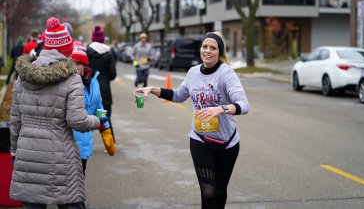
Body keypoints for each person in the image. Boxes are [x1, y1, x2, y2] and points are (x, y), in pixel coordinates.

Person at [134, 31, 250, 209]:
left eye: (213, 48)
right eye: (205, 46)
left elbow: (244, 105)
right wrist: (152, 89)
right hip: (200, 139)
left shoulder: (226, 74)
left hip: (227, 142)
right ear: (200, 49)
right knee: (208, 191)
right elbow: (178, 95)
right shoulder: (193, 73)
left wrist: (222, 109)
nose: (208, 51)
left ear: (220, 52)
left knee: (220, 190)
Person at [9, 17, 109, 209]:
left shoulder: (22, 77)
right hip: (60, 156)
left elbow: (15, 120)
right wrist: (98, 121)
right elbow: (77, 121)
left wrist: (15, 150)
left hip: (28, 153)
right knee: (70, 203)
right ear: (67, 49)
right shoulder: (71, 79)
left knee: (33, 204)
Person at [71, 40, 115, 176]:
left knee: (80, 180)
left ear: (84, 64)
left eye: (78, 63)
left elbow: (99, 107)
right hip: (68, 145)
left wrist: (105, 129)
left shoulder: (93, 81)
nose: (75, 67)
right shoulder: (66, 83)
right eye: (71, 63)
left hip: (84, 143)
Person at [86, 25, 117, 142]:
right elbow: (113, 74)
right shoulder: (109, 52)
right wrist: (105, 78)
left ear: (93, 38)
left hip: (89, 89)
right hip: (104, 90)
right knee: (105, 116)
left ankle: (85, 144)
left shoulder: (87, 51)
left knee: (88, 118)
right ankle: (109, 143)